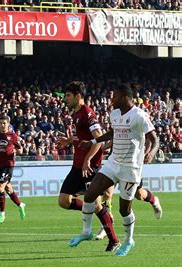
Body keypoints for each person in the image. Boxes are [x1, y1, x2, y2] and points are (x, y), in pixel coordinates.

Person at [78, 84, 159, 256]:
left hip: (131, 168)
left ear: (125, 98)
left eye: (114, 96)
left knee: (124, 210)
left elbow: (154, 138)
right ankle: (86, 232)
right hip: (113, 163)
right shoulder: (114, 114)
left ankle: (129, 240)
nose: (111, 99)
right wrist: (92, 143)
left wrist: (151, 152)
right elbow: (112, 133)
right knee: (90, 194)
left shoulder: (139, 115)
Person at [56, 81, 119, 251]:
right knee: (64, 200)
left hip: (89, 167)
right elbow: (80, 137)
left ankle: (114, 239)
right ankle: (96, 215)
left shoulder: (88, 114)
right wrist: (68, 141)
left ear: (78, 96)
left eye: (68, 96)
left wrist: (88, 160)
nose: (66, 99)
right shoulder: (76, 114)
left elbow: (99, 139)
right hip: (77, 166)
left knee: (96, 204)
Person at [0, 115, 25, 224]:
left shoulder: (12, 136)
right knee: (8, 188)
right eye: (1, 123)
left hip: (8, 165)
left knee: (0, 188)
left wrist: (19, 151)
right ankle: (20, 204)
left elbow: (19, 148)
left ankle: (2, 214)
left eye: (4, 123)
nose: (2, 125)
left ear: (8, 124)